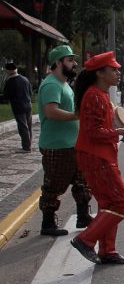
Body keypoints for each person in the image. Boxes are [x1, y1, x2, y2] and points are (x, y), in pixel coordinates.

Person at [70, 52, 124, 265]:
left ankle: (108, 250)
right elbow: (93, 132)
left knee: (109, 203)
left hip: (100, 155)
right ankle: (86, 240)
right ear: (100, 73)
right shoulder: (95, 96)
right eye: (113, 69)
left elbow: (100, 129)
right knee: (121, 201)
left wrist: (117, 132)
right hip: (96, 157)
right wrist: (119, 133)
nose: (118, 73)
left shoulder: (100, 94)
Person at [36, 45, 93, 237]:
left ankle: (83, 216)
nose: (74, 63)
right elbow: (51, 112)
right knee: (54, 185)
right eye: (70, 60)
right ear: (58, 63)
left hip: (71, 144)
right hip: (57, 145)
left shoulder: (64, 83)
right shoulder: (52, 84)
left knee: (81, 182)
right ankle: (48, 223)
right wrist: (76, 116)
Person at [3, 62, 33, 152]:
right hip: (28, 105)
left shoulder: (10, 81)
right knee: (29, 126)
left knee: (23, 127)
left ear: (8, 71)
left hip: (18, 107)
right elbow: (30, 92)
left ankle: (26, 147)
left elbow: (6, 96)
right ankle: (28, 145)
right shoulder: (25, 79)